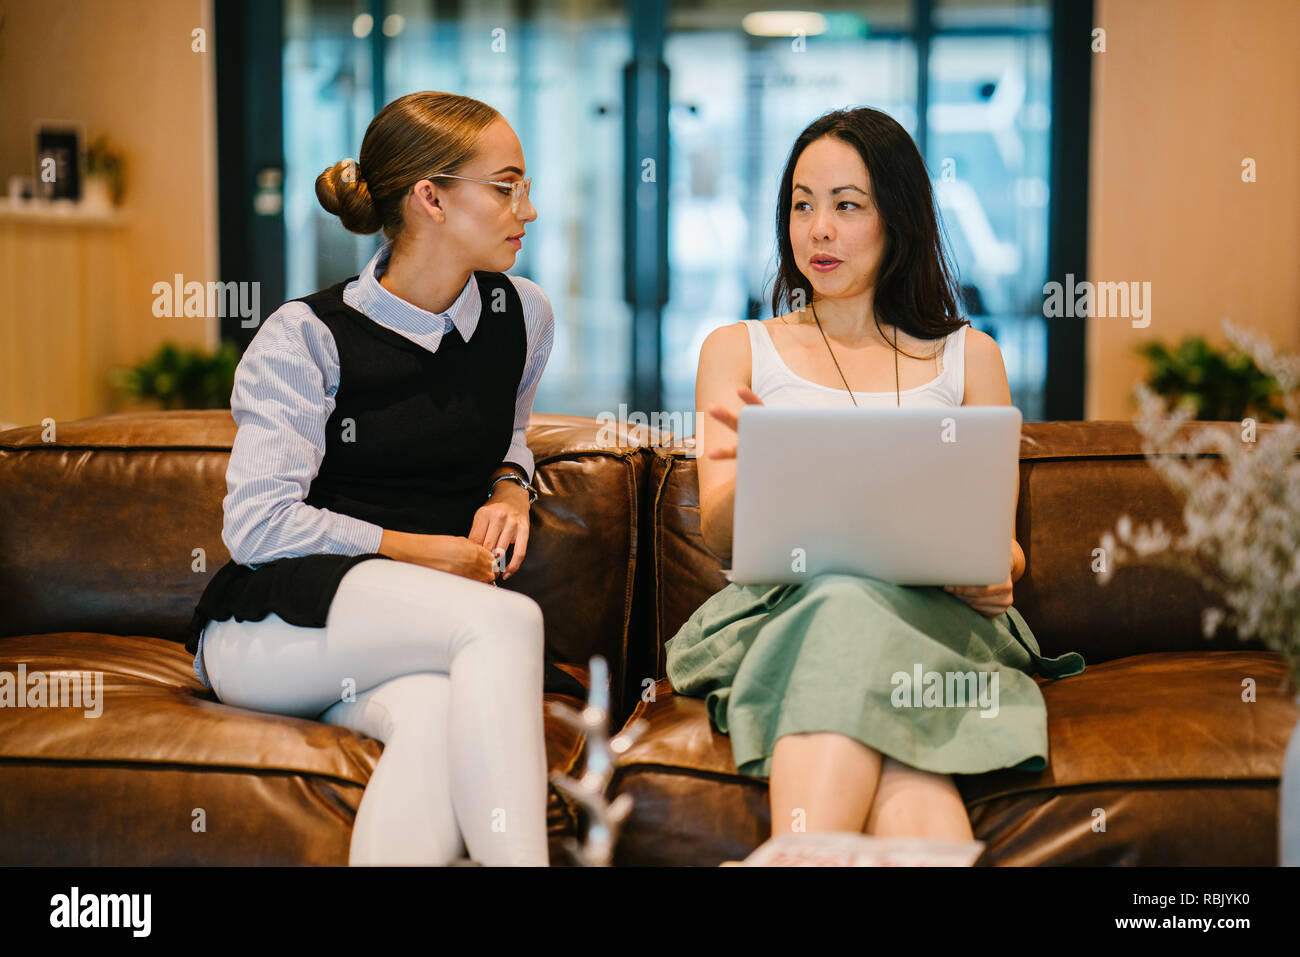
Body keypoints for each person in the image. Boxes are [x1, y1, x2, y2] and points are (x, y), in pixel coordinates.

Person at [665, 107, 1086, 844]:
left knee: (853, 610)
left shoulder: (971, 356)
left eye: (846, 206)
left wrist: (993, 572)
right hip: (782, 612)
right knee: (852, 629)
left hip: (939, 620)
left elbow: (1002, 548)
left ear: (899, 217)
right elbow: (724, 537)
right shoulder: (737, 350)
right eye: (802, 204)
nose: (818, 229)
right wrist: (750, 465)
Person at [185, 91, 556, 866]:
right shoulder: (306, 337)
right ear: (431, 198)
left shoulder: (524, 315)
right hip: (278, 626)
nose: (527, 207)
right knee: (506, 621)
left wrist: (511, 486)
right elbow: (257, 527)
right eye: (506, 186)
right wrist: (420, 549)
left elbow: (511, 432)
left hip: (400, 640)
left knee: (434, 719)